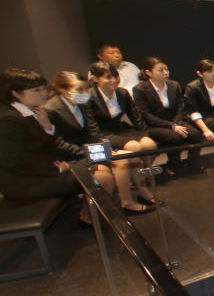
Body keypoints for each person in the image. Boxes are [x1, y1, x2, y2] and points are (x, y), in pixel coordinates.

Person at [0, 68, 87, 211]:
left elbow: (46, 146)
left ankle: (90, 218)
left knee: (98, 167)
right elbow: (12, 162)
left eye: (44, 89)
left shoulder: (32, 112)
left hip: (40, 173)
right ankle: (90, 220)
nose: (44, 94)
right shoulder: (10, 119)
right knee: (98, 176)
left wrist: (48, 128)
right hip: (23, 183)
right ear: (15, 93)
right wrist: (55, 169)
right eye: (36, 91)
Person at [87, 61, 157, 213]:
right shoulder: (90, 97)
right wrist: (105, 145)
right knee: (136, 148)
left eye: (115, 77)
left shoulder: (122, 93)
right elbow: (92, 128)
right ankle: (140, 190)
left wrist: (144, 133)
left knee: (150, 145)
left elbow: (136, 116)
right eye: (107, 77)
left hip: (121, 129)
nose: (113, 80)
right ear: (94, 79)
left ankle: (138, 180)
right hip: (104, 134)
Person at [44, 71, 117, 196]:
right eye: (79, 89)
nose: (85, 93)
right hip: (68, 156)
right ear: (63, 90)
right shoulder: (50, 110)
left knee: (124, 160)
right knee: (105, 176)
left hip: (85, 150)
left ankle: (125, 202)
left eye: (86, 89)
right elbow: (58, 143)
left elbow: (91, 131)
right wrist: (92, 152)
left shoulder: (82, 104)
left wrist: (101, 147)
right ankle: (92, 213)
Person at [133, 57, 204, 175]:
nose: (165, 73)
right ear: (148, 72)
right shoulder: (140, 89)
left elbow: (181, 108)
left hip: (174, 121)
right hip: (154, 125)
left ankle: (193, 161)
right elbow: (146, 114)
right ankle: (173, 165)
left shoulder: (174, 85)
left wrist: (175, 123)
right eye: (160, 70)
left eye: (166, 69)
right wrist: (171, 125)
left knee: (196, 135)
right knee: (176, 137)